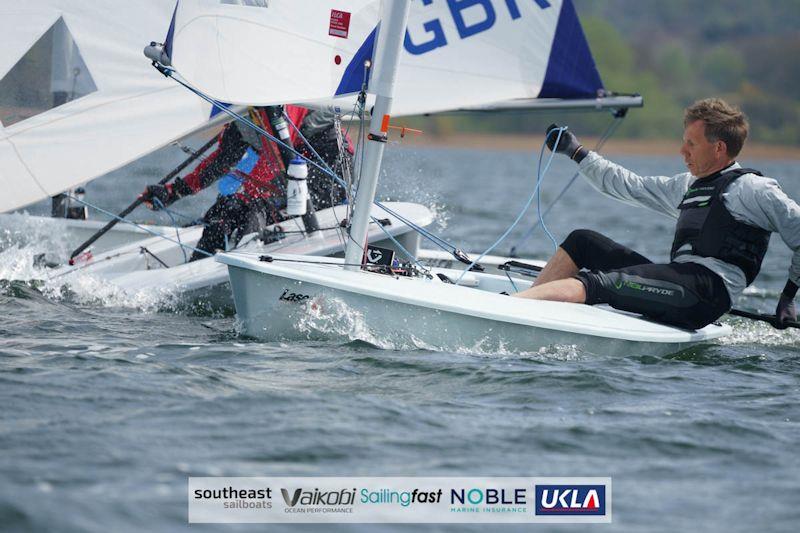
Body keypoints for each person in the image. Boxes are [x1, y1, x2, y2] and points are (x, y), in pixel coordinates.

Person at [514, 98, 800, 330]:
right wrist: (576, 152)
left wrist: (788, 297)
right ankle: (528, 316)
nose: (682, 151)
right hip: (680, 282)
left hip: (706, 295)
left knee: (600, 283)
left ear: (719, 148)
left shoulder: (754, 190)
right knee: (582, 241)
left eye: (691, 143)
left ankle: (513, 309)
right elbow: (630, 186)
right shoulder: (688, 185)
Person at [140, 105, 350, 261]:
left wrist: (243, 198)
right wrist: (173, 192)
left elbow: (276, 158)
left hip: (326, 176)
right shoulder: (245, 112)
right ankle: (194, 271)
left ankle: (248, 260)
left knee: (246, 207)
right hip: (291, 176)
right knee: (222, 211)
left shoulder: (278, 104)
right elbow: (218, 163)